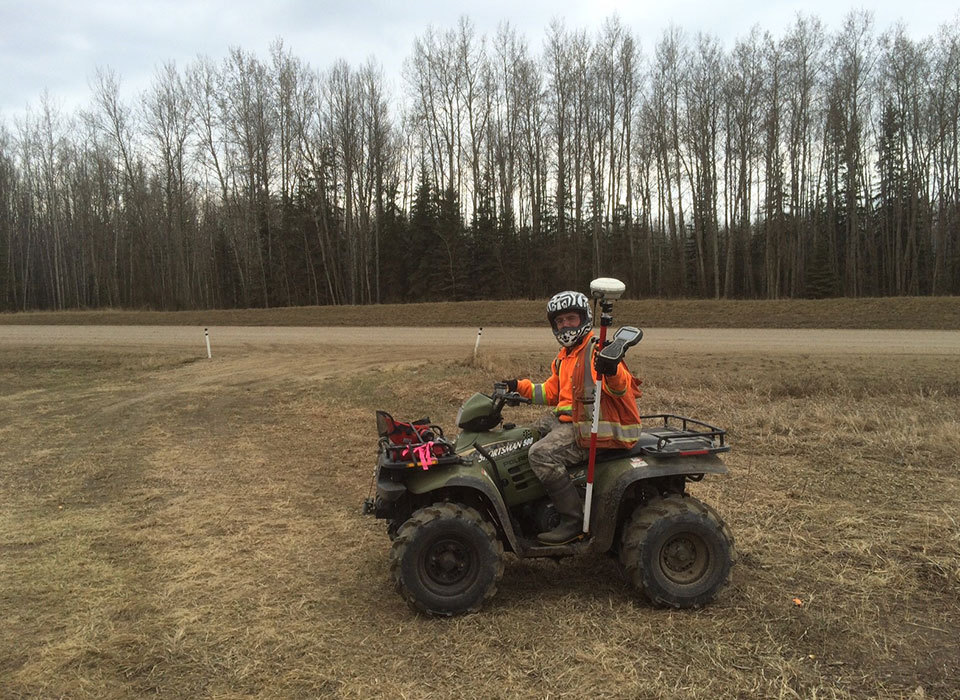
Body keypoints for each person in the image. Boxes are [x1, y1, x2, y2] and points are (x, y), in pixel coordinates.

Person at [503, 290, 642, 545]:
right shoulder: (565, 355)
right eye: (559, 321)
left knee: (540, 453)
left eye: (571, 318)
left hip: (593, 428)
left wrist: (610, 368)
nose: (565, 325)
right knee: (523, 437)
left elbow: (621, 386)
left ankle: (572, 520)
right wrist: (518, 387)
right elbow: (552, 392)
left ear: (585, 318)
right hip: (570, 420)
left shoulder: (597, 349)